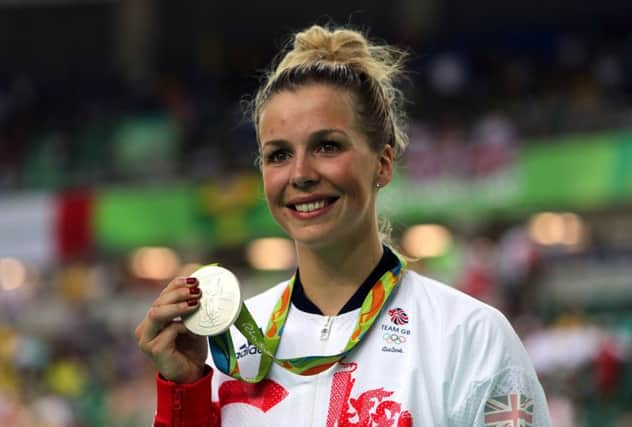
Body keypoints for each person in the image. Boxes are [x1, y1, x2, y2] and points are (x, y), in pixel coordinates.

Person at [135, 24, 551, 426]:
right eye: (278, 155)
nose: (300, 173)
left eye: (327, 146)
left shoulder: (468, 337)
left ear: (383, 164)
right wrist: (183, 392)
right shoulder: (228, 346)